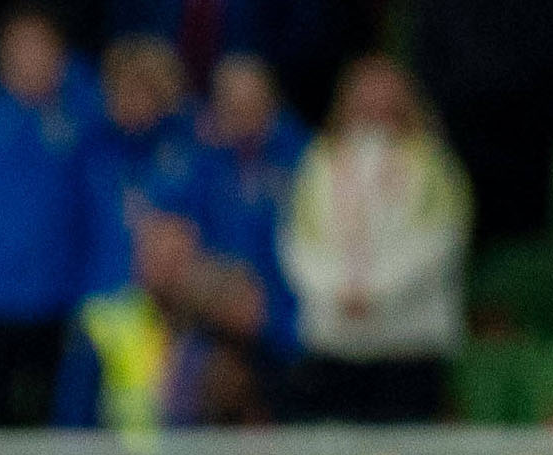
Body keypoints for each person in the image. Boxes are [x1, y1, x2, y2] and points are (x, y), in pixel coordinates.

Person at [279, 56, 470, 425]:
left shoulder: (433, 164)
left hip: (409, 344)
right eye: (366, 97)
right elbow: (297, 243)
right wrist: (340, 292)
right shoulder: (320, 161)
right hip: (334, 344)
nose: (375, 109)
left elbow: (437, 246)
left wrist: (374, 294)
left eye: (385, 97)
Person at [0, 6, 97, 427]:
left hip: (60, 301)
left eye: (41, 48)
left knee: (57, 420)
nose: (31, 59)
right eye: (20, 48)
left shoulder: (82, 117)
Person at [55, 210, 270, 434]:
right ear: (139, 259)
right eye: (160, 254)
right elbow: (72, 424)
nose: (169, 269)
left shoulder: (212, 333)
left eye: (179, 255)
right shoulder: (103, 325)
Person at [79, 36, 214, 301]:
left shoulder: (190, 155)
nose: (133, 100)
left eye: (145, 89)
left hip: (171, 300)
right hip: (101, 297)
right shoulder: (88, 152)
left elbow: (200, 229)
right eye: (123, 88)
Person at [198, 54, 309, 366]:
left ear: (272, 101)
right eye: (232, 103)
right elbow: (190, 236)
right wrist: (221, 292)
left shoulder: (304, 159)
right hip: (215, 320)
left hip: (290, 324)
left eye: (252, 102)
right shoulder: (201, 162)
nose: (243, 113)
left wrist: (271, 311)